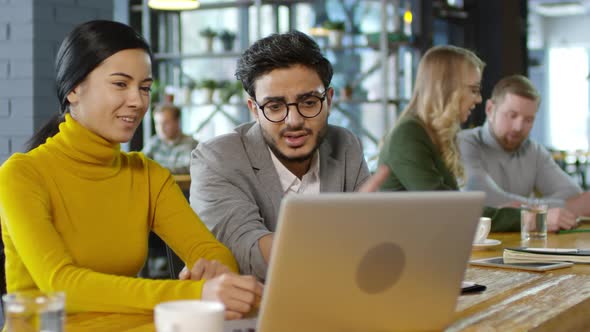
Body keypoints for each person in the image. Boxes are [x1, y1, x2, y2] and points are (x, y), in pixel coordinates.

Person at [0, 20, 260, 320]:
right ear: (73, 89)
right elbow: (61, 285)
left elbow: (208, 249)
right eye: (120, 84)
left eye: (145, 88)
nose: (137, 101)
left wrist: (215, 269)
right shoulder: (22, 175)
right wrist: (195, 293)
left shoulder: (148, 175)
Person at [188, 31, 371, 281]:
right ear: (254, 109)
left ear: (328, 100)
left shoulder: (345, 144)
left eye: (308, 102)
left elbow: (373, 240)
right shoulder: (217, 158)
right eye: (275, 107)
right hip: (256, 312)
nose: (294, 121)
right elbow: (248, 255)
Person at [378, 45, 520, 232]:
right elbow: (448, 209)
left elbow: (453, 206)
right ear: (446, 88)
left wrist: (508, 215)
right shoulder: (408, 135)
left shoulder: (428, 133)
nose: (478, 99)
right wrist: (528, 219)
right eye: (473, 90)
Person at [458, 74, 585, 231]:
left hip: (522, 247)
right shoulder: (464, 142)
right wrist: (539, 211)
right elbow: (482, 197)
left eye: (528, 120)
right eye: (512, 115)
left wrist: (520, 207)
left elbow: (573, 196)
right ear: (490, 110)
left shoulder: (534, 150)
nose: (519, 127)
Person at [142, 103, 198, 174]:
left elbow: (189, 168)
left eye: (166, 123)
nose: (161, 128)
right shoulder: (153, 143)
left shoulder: (192, 144)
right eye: (157, 123)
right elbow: (141, 164)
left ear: (177, 122)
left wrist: (157, 170)